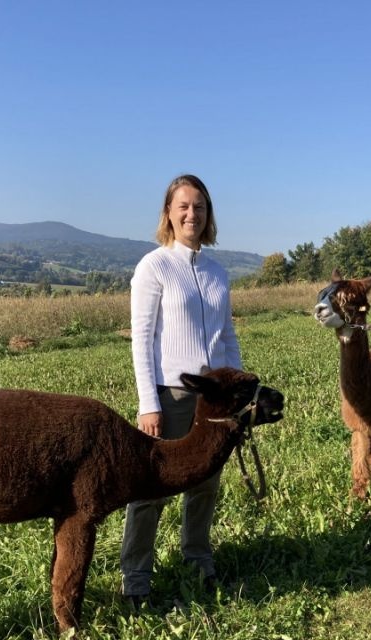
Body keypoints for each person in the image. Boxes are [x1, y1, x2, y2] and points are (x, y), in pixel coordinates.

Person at [121, 174, 242, 609]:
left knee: (206, 483)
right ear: (169, 214)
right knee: (150, 489)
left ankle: (198, 561)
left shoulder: (217, 272)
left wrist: (238, 391)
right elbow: (142, 338)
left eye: (200, 207)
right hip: (170, 395)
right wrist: (148, 403)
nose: (192, 214)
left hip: (212, 398)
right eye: (184, 206)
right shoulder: (153, 267)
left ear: (208, 215)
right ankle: (136, 579)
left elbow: (227, 335)